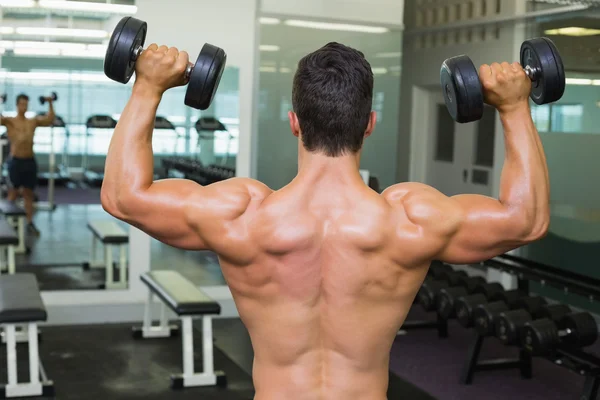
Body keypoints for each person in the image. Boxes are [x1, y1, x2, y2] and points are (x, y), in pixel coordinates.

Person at [101, 42, 550, 399]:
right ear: (369, 124)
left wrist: (147, 86)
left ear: (295, 123)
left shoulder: (241, 216)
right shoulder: (410, 220)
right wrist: (513, 108)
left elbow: (123, 197)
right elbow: (525, 220)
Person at [0, 93, 55, 236]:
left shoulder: (32, 121)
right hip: (16, 162)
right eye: (21, 104)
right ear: (17, 105)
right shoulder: (9, 121)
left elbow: (49, 120)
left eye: (26, 104)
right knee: (12, 194)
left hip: (29, 162)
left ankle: (29, 223)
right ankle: (6, 223)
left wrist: (50, 102)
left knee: (28, 194)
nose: (24, 107)